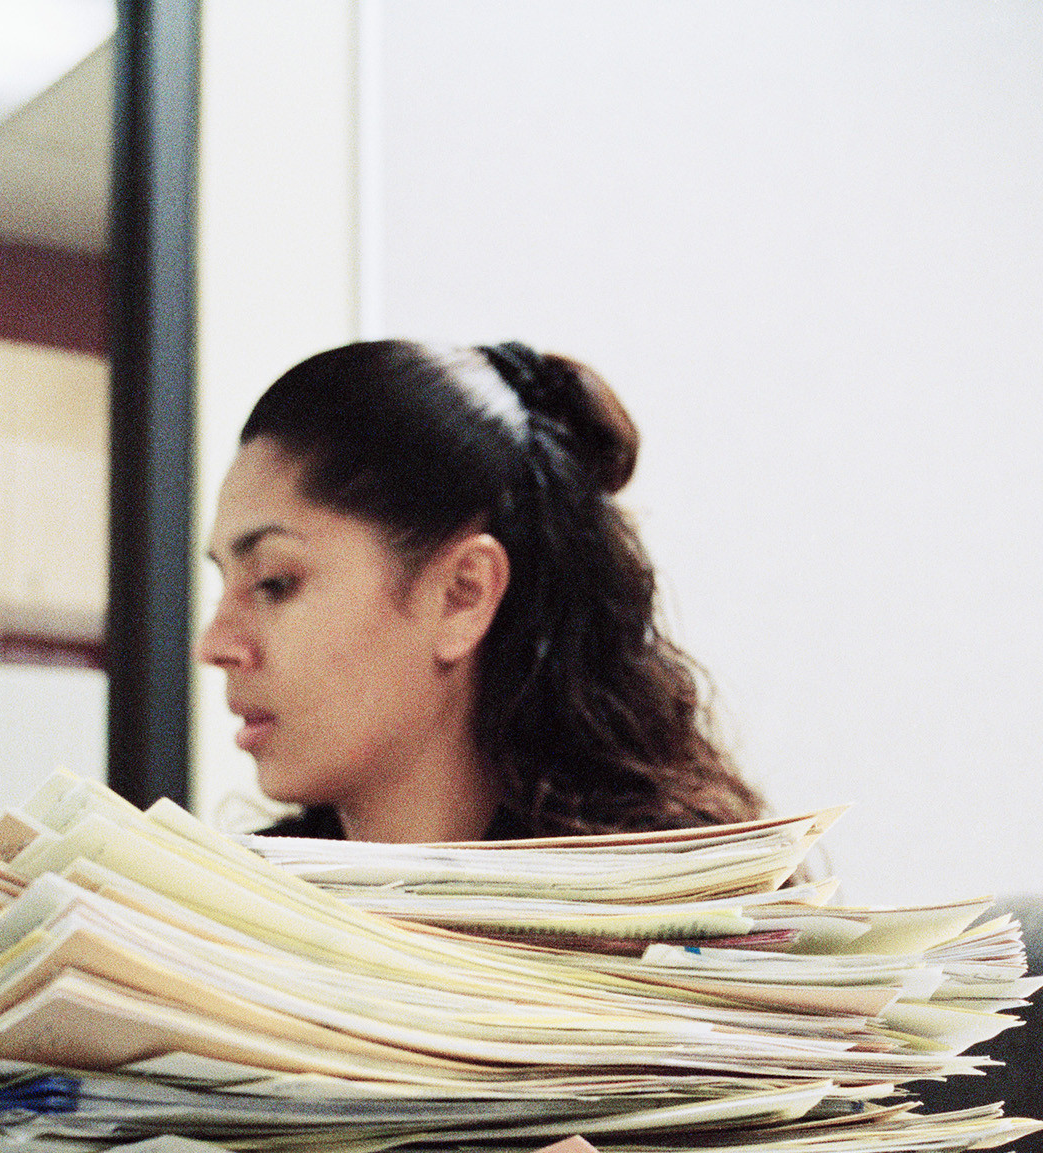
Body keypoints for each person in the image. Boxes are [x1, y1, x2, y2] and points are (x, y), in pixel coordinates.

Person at [198, 340, 764, 842]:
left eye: (275, 583)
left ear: (461, 595)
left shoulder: (680, 929)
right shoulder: (214, 925)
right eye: (224, 582)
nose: (215, 645)